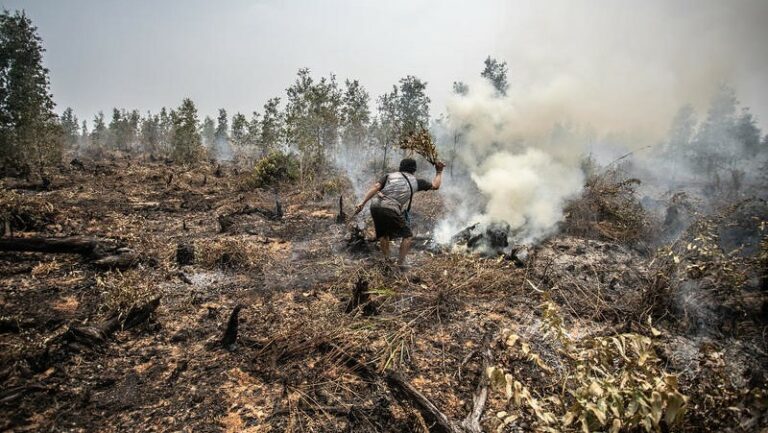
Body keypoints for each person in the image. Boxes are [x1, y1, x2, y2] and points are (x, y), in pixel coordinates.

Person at [354, 158, 445, 270]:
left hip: (375, 205)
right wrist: (439, 171)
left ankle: (386, 261)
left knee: (384, 234)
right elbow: (435, 185)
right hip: (390, 207)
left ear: (400, 167)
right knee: (407, 236)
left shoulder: (389, 176)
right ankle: (400, 264)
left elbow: (376, 187)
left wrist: (362, 203)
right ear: (414, 170)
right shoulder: (416, 181)